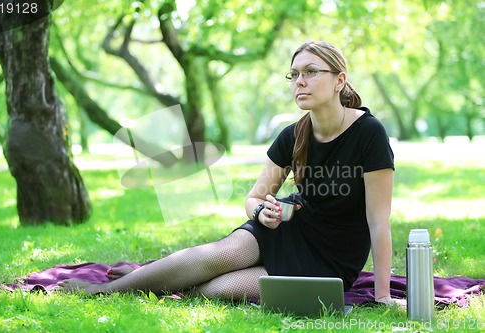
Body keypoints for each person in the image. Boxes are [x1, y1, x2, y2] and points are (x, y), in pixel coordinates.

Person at [58, 41, 397, 305]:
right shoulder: (292, 135)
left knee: (219, 290)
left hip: (330, 262)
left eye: (310, 72)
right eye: (294, 74)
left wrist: (382, 296)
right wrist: (264, 213)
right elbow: (253, 198)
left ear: (340, 80)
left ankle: (149, 277)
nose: (299, 81)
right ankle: (106, 291)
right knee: (224, 254)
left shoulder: (369, 134)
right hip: (288, 230)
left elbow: (378, 222)